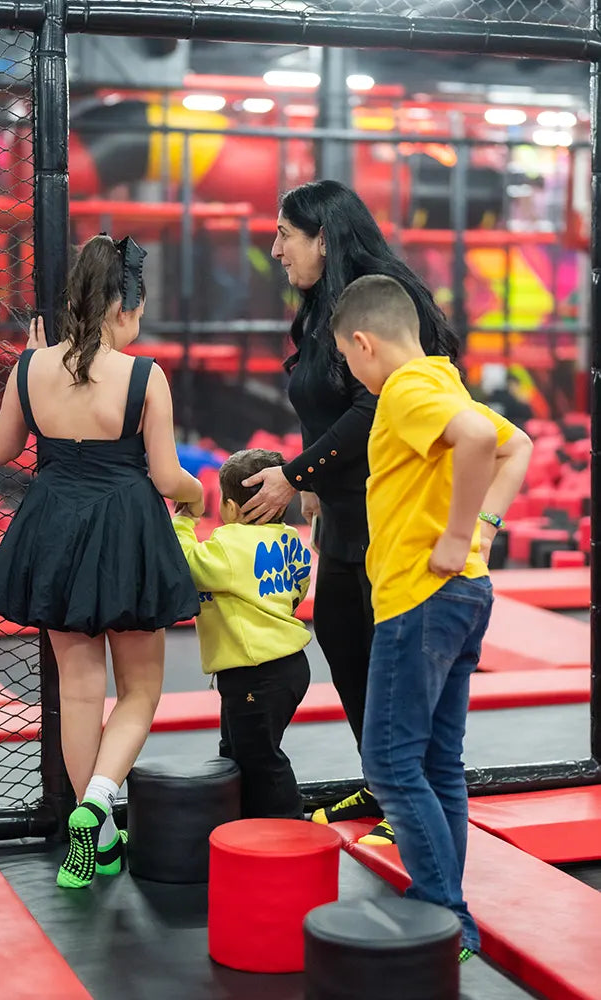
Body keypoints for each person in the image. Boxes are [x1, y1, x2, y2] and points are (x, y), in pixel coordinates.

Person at [0, 234, 203, 888]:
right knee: (140, 690)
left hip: (54, 526)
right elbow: (165, 477)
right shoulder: (142, 375)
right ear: (124, 309)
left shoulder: (33, 366)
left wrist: (27, 364)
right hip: (125, 530)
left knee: (78, 690)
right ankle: (101, 796)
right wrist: (200, 493)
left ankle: (92, 832)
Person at [240, 179, 459, 831]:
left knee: (396, 666)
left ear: (323, 237)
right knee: (344, 645)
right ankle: (384, 783)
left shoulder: (381, 298)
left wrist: (294, 473)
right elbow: (331, 403)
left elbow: (377, 406)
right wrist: (314, 484)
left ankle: (412, 799)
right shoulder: (321, 309)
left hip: (395, 517)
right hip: (343, 516)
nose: (275, 248)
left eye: (284, 233)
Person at [331, 273, 532, 961]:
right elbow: (517, 445)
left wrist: (456, 534)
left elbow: (480, 437)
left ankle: (446, 913)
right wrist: (484, 527)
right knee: (438, 762)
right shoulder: (443, 381)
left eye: (347, 360)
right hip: (462, 597)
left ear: (363, 344)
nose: (352, 374)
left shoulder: (406, 390)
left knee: (388, 765)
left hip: (420, 597)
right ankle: (451, 914)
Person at [173, 448, 312, 819]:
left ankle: (289, 826)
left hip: (257, 671)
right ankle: (244, 822)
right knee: (237, 749)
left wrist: (185, 521)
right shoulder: (290, 540)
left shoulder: (231, 545)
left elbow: (186, 563)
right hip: (287, 667)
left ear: (232, 508)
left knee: (260, 758)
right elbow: (296, 591)